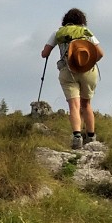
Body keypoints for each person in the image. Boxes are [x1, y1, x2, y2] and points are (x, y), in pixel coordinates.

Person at [40, 8, 100, 150]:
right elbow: (101, 53)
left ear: (65, 20)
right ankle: (91, 137)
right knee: (86, 105)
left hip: (68, 70)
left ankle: (77, 137)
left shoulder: (58, 33)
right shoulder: (86, 32)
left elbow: (45, 54)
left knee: (74, 105)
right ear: (82, 21)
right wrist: (88, 61)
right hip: (88, 71)